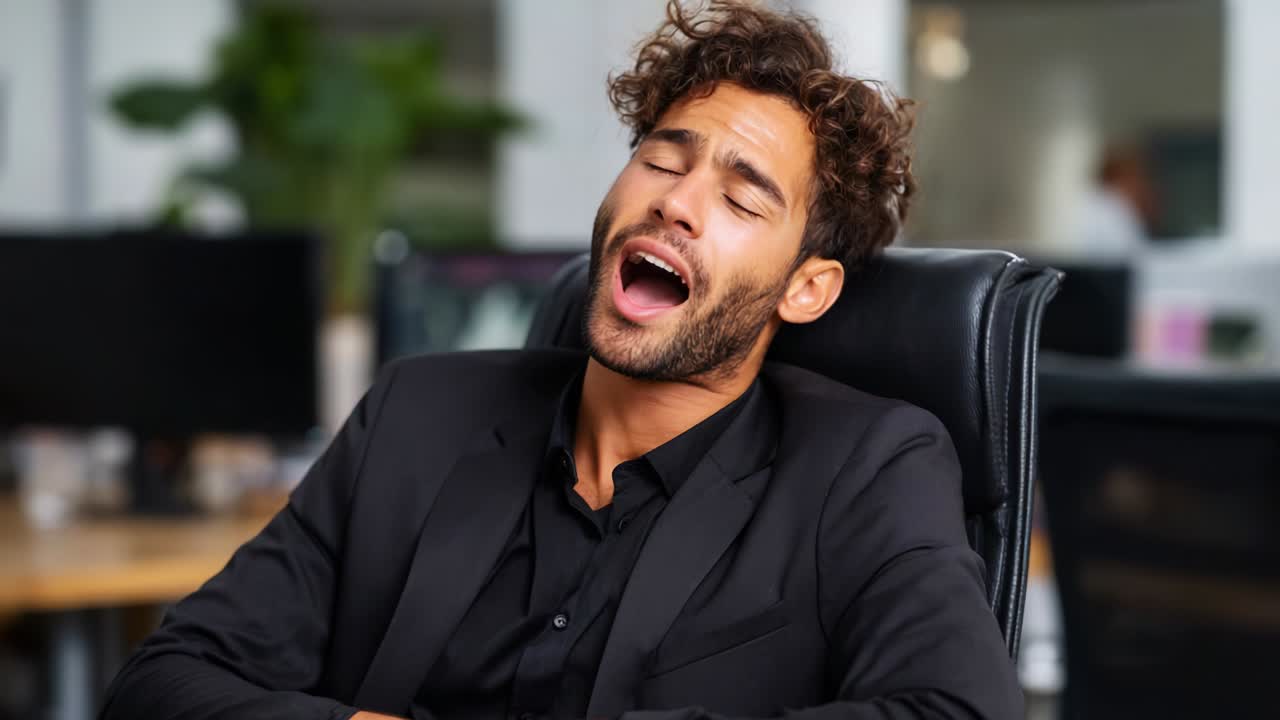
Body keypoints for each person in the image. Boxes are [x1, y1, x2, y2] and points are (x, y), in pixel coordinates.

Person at [101, 2, 1022, 718]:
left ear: (807, 289)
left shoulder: (867, 465)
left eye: (742, 201)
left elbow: (954, 710)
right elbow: (166, 684)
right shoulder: (418, 414)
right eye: (665, 161)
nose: (680, 205)